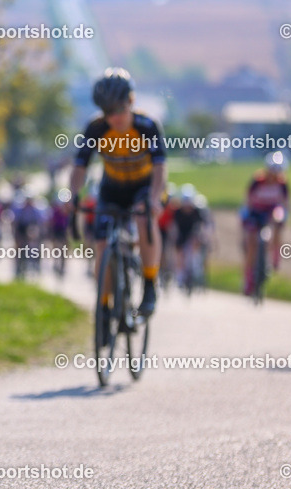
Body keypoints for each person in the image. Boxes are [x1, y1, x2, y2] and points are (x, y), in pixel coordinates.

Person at [68, 67, 167, 315]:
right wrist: (73, 196)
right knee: (102, 244)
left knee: (145, 220)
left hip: (143, 187)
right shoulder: (96, 129)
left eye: (120, 109)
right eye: (108, 112)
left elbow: (160, 169)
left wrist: (154, 199)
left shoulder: (148, 126)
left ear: (131, 102)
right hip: (111, 187)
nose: (115, 117)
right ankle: (103, 306)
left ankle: (149, 282)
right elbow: (80, 166)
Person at [241, 152, 290, 296]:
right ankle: (248, 278)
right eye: (272, 172)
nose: (274, 176)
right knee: (251, 244)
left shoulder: (282, 184)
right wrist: (248, 218)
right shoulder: (258, 180)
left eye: (278, 172)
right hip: (256, 212)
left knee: (278, 218)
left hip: (271, 213)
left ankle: (275, 254)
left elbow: (285, 203)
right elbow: (248, 200)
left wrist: (283, 217)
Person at [172, 184, 206, 289]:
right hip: (182, 233)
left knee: (195, 243)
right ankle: (180, 275)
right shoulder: (177, 212)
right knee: (179, 251)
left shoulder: (197, 211)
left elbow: (201, 225)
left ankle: (195, 267)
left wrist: (201, 236)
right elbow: (173, 226)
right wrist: (174, 237)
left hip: (193, 232)